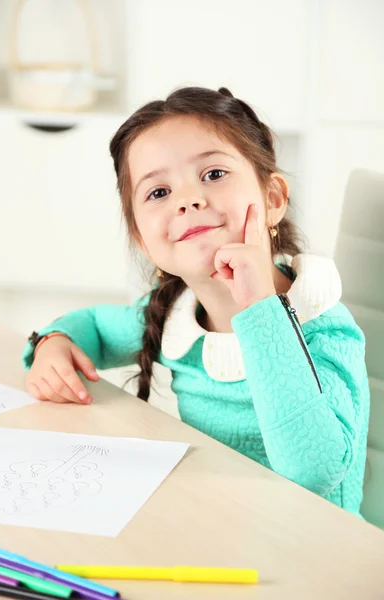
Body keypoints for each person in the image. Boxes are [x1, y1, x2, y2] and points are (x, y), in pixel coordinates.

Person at [22, 86, 370, 516]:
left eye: (213, 174)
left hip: (316, 554)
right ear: (143, 240)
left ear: (273, 199)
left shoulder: (324, 326)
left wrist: (260, 308)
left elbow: (313, 470)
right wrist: (53, 343)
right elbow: (92, 326)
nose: (188, 199)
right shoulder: (172, 316)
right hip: (216, 529)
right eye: (158, 192)